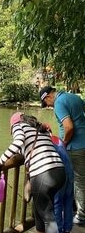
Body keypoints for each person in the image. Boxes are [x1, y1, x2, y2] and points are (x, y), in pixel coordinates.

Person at [0, 112, 66, 233]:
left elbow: (18, 142)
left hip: (43, 173)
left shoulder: (19, 126)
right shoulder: (40, 129)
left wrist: (1, 161)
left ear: (13, 123)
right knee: (39, 212)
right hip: (58, 171)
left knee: (47, 215)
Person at [40, 86, 85, 224]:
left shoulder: (59, 103)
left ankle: (81, 215)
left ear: (48, 97)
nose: (48, 106)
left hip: (75, 147)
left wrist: (64, 142)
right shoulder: (74, 97)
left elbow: (69, 127)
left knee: (77, 181)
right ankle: (75, 208)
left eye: (46, 103)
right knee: (81, 178)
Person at [51, 134, 75, 233]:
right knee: (68, 200)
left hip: (60, 172)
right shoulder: (58, 139)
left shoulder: (47, 142)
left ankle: (59, 231)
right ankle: (67, 230)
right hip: (69, 171)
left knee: (57, 202)